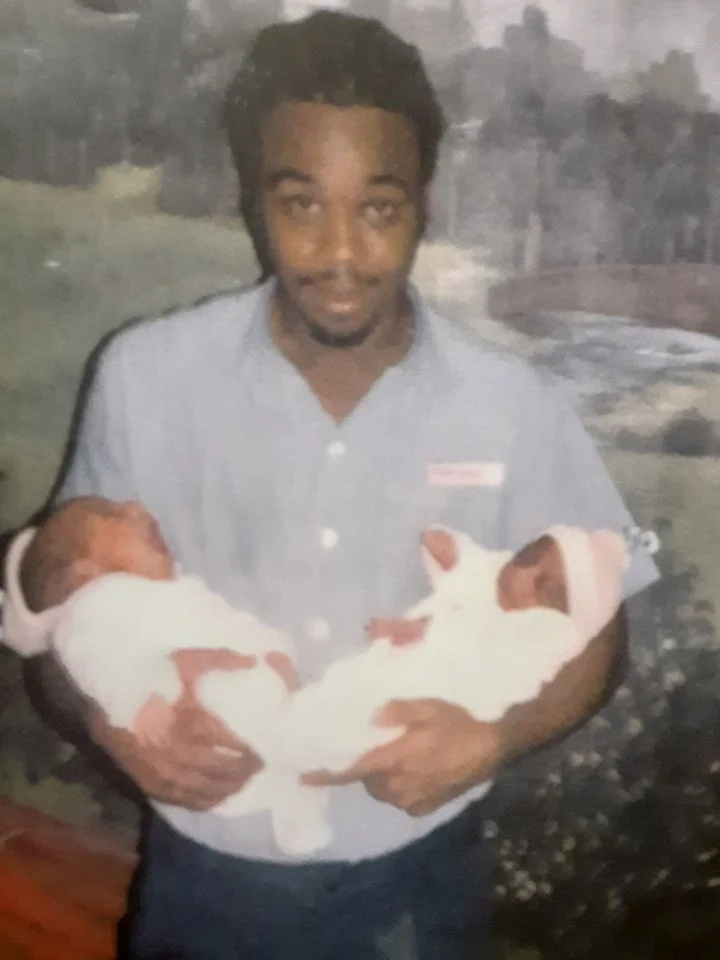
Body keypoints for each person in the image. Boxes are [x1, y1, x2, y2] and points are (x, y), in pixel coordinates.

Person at [2, 10, 660, 959]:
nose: (341, 253)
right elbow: (56, 614)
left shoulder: (513, 405)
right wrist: (112, 726)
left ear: (424, 206)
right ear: (253, 202)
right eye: (301, 205)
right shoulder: (144, 378)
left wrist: (494, 738)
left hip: (416, 884)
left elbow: (604, 636)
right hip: (203, 887)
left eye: (378, 209)